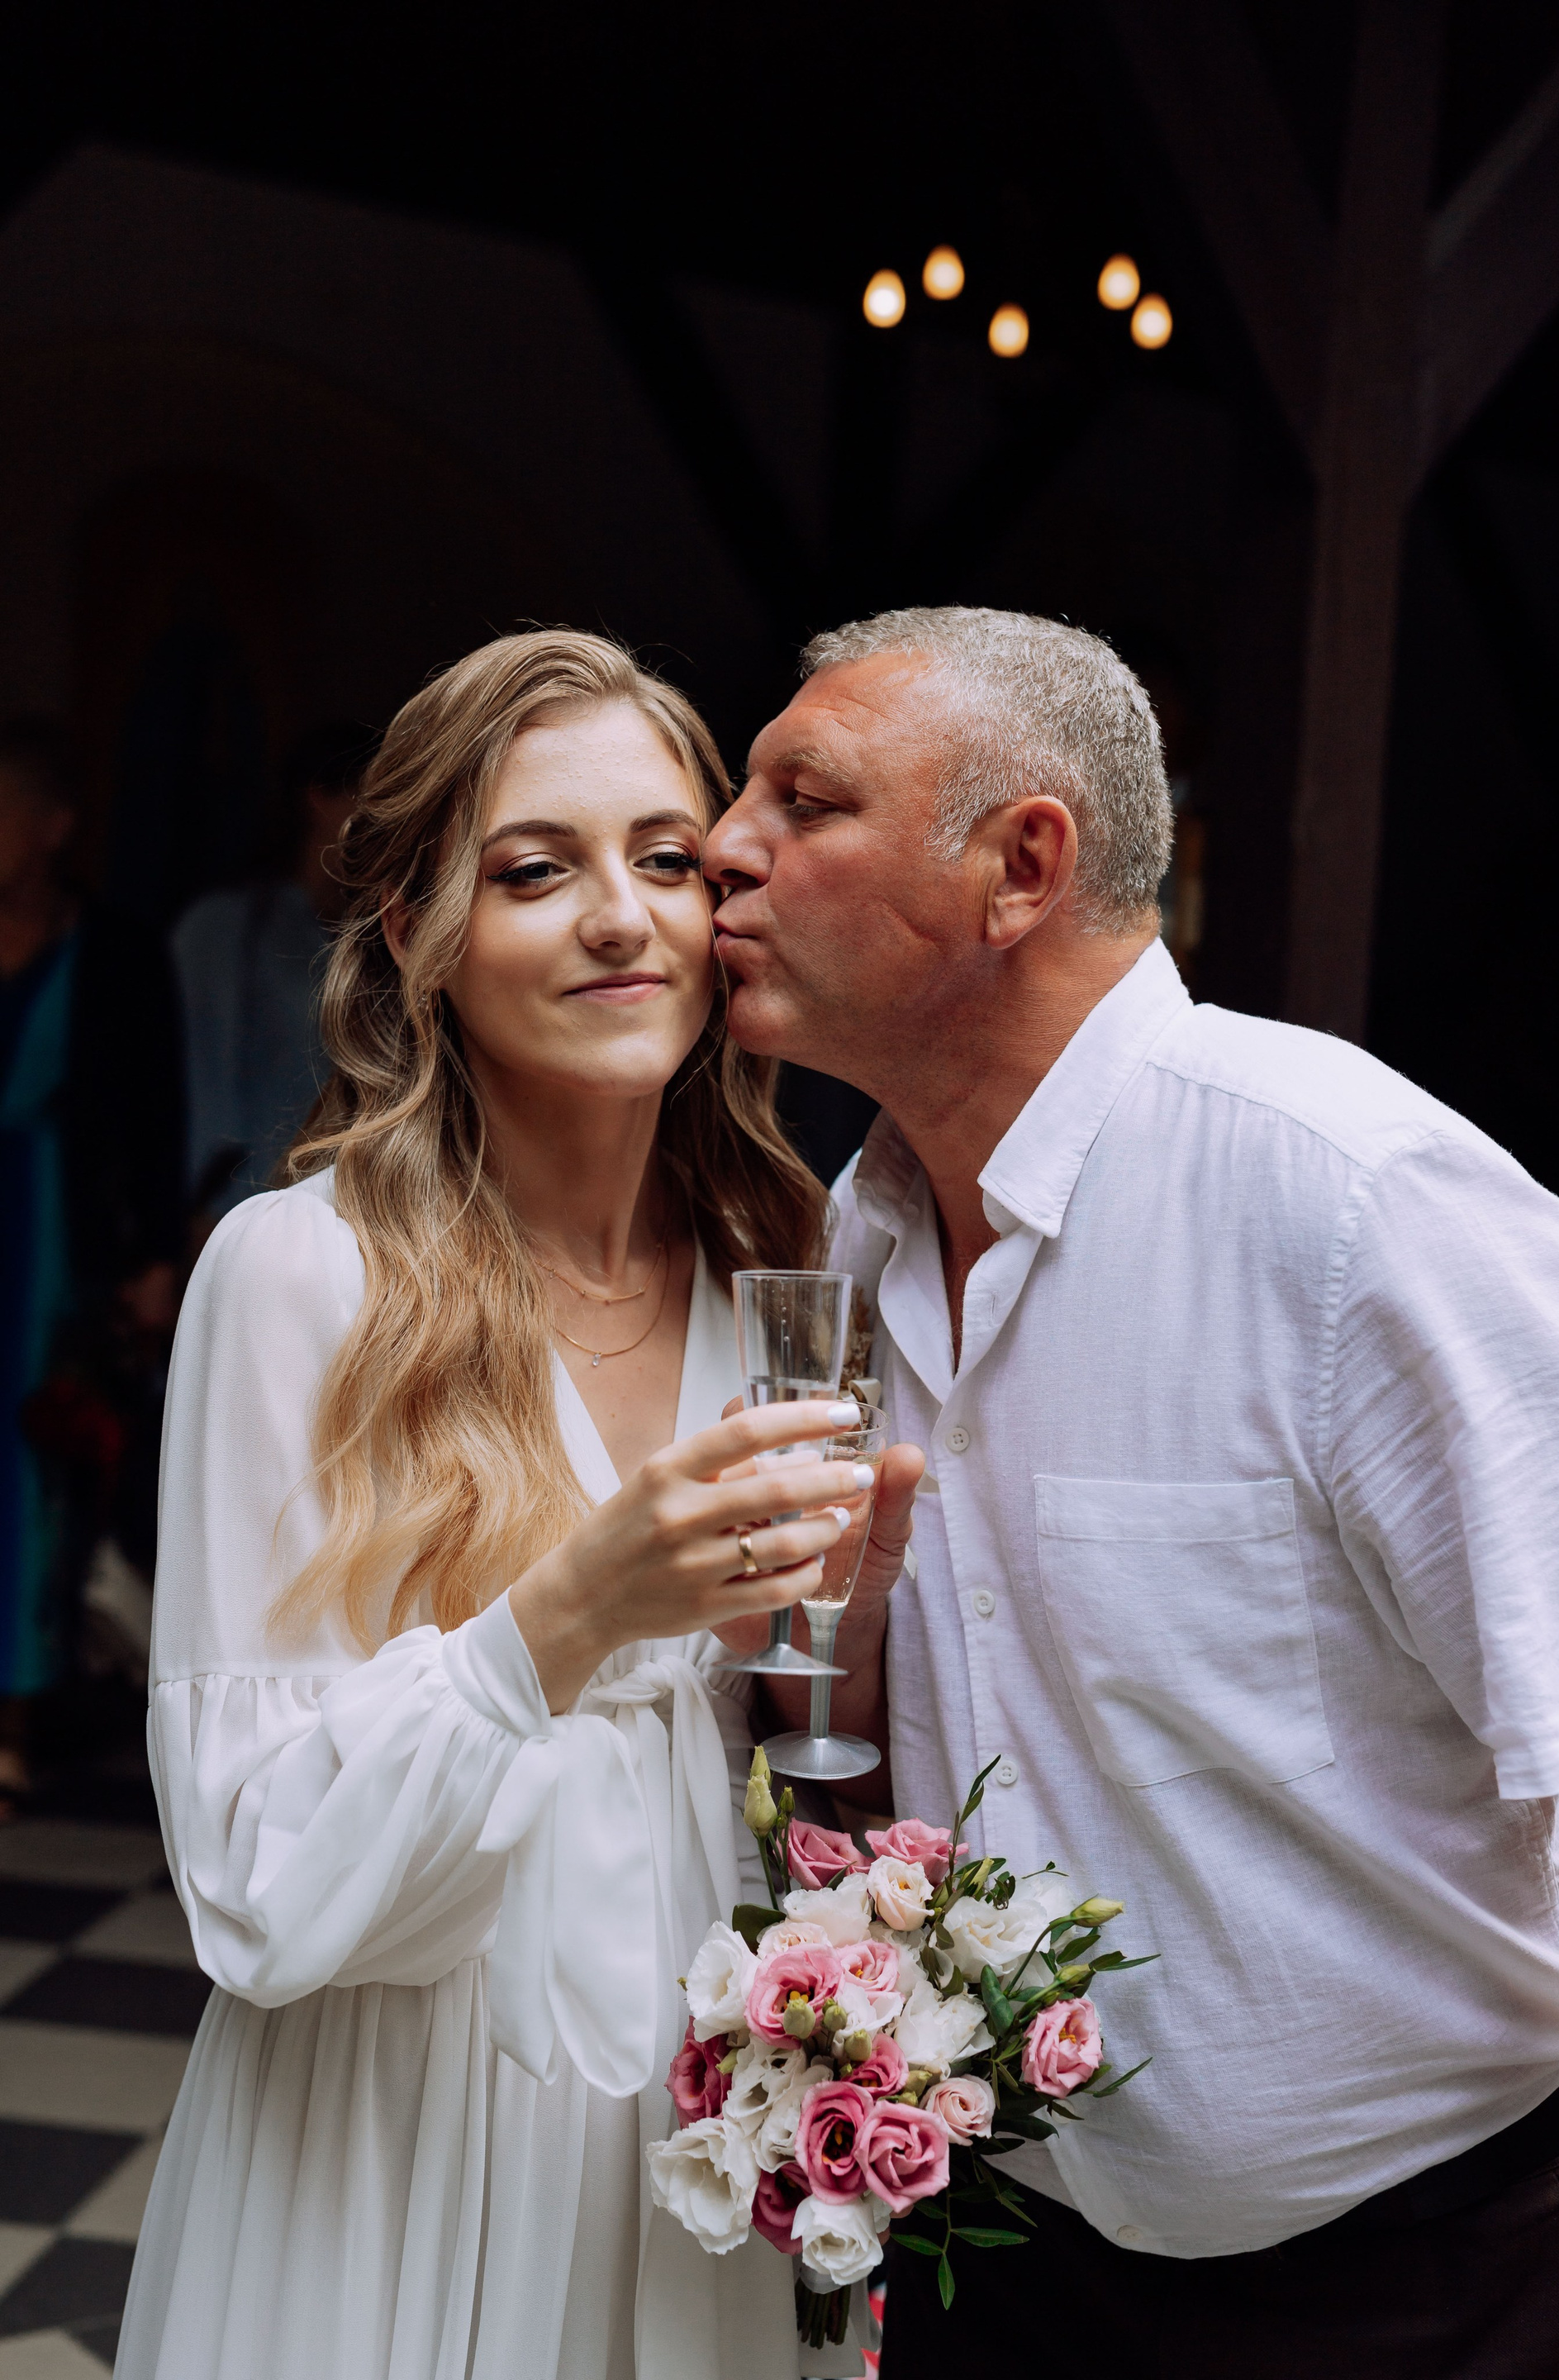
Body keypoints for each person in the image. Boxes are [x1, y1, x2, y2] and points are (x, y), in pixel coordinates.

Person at [703, 604, 1559, 2380]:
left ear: (1020, 868)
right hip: (1011, 2260)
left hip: (1421, 2291)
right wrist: (827, 1660)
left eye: (806, 800)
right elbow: (876, 1765)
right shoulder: (850, 1247)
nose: (725, 846)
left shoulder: (1348, 1203)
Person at [116, 629, 917, 2380]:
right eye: (536, 871)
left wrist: (838, 1633)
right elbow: (253, 1884)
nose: (623, 919)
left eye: (668, 860)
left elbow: (784, 1750)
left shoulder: (785, 1271)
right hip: (399, 2125)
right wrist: (568, 1613)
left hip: (694, 2116)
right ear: (417, 932)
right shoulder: (301, 1277)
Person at [0, 717, 183, 1813]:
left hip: (48, 1240)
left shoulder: (114, 949)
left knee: (36, 1469)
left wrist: (155, 1254)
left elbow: (156, 1115)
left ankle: (14, 1718)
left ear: (53, 826)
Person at [171, 721, 372, 1217]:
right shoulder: (224, 930)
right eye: (374, 796)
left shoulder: (382, 935)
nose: (389, 817)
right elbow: (202, 1085)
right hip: (242, 1207)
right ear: (320, 798)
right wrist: (206, 1207)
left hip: (357, 1211)